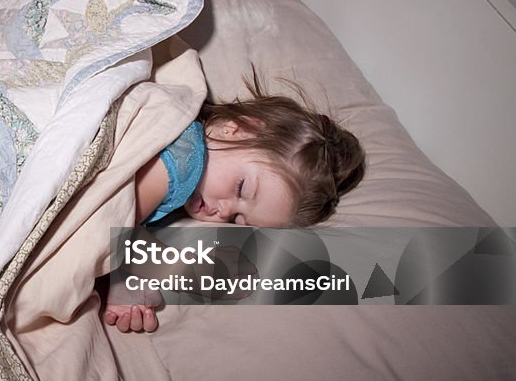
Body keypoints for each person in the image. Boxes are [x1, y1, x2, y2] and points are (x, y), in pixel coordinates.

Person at [104, 76, 366, 332]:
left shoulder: (183, 181)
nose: (224, 211)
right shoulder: (186, 158)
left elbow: (120, 217)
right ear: (237, 129)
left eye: (238, 219)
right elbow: (109, 220)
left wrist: (122, 277)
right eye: (242, 188)